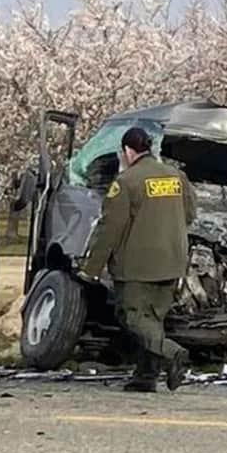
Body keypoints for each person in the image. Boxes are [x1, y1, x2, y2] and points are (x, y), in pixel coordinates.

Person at [83, 127, 196, 392]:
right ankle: (146, 376)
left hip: (137, 264)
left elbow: (110, 229)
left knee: (133, 318)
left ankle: (172, 353)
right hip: (172, 261)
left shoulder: (126, 182)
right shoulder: (177, 177)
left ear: (128, 151)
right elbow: (189, 214)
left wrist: (92, 269)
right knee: (153, 319)